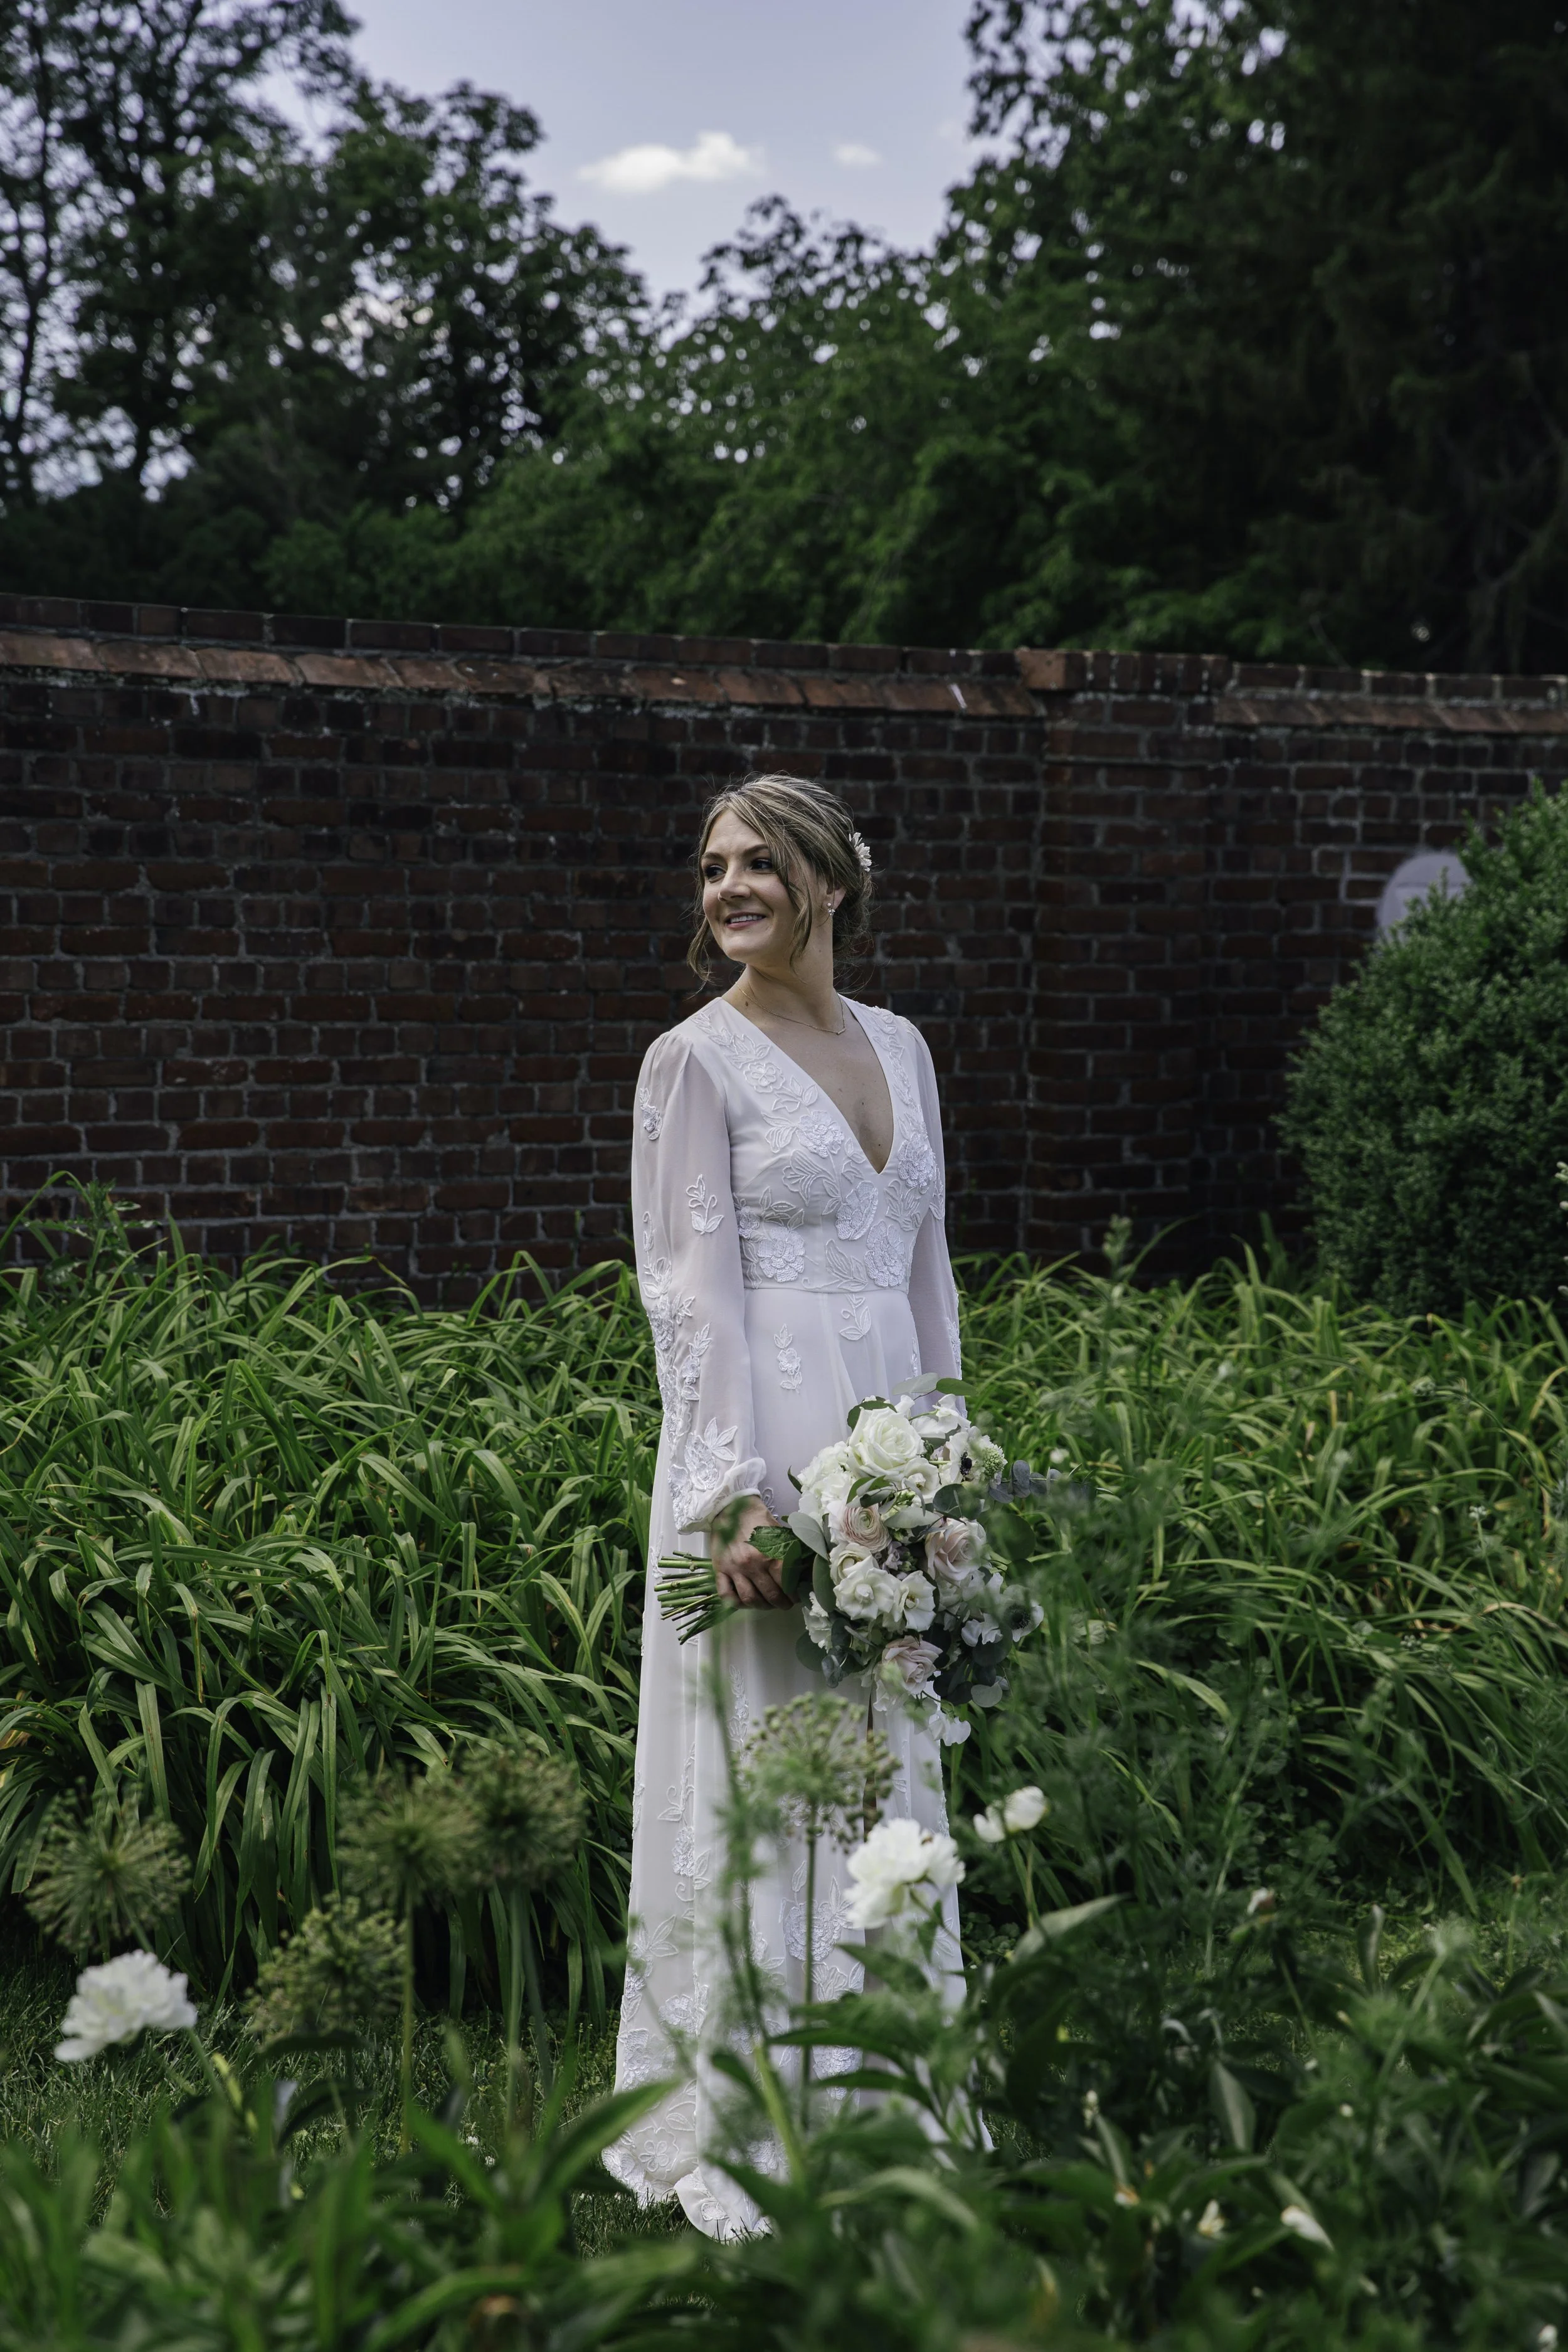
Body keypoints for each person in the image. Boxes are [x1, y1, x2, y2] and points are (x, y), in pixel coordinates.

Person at [601, 773, 968, 2238]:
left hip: (891, 1463)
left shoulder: (903, 1047)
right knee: (765, 1770)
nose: (728, 888)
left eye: (759, 861)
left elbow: (927, 1277)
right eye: (712, 867)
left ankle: (888, 2093)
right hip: (763, 1461)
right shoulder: (689, 1062)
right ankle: (746, 2113)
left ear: (830, 879)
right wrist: (730, 1504)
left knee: (884, 1759)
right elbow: (684, 1297)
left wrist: (945, 1480)